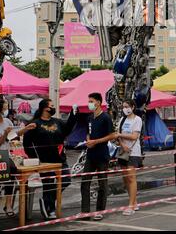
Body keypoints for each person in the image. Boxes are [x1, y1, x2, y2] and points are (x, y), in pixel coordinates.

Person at [23, 98, 78, 220]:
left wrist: (74, 114)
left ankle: (47, 200)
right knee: (48, 185)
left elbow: (68, 128)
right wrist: (34, 158)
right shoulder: (35, 124)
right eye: (51, 106)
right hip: (45, 161)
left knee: (66, 180)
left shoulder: (57, 122)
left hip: (60, 159)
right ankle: (50, 210)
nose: (53, 108)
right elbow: (27, 143)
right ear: (45, 108)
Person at [0, 99, 35, 217]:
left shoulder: (8, 121)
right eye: (5, 107)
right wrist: (4, 135)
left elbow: (15, 134)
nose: (7, 110)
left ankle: (8, 204)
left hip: (8, 156)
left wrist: (27, 128)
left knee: (12, 175)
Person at [80, 92, 115, 221]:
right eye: (88, 101)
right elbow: (88, 133)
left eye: (91, 101)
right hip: (90, 155)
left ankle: (100, 210)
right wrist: (88, 140)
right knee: (85, 182)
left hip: (102, 155)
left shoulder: (106, 117)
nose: (89, 103)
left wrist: (96, 141)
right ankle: (85, 211)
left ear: (99, 102)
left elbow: (112, 135)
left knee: (102, 184)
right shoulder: (89, 118)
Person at [115, 99, 143, 215]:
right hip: (123, 152)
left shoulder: (137, 120)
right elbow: (117, 136)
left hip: (133, 152)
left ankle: (131, 205)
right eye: (123, 107)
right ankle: (134, 201)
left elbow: (134, 136)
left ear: (132, 107)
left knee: (131, 178)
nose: (125, 109)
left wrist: (120, 135)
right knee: (125, 178)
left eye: (127, 106)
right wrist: (122, 145)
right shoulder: (122, 119)